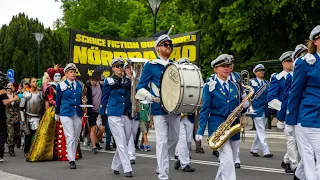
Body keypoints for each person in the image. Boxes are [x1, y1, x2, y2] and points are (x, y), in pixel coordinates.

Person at [196, 54, 248, 180]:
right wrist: (200, 130)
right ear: (215, 69)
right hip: (218, 126)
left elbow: (240, 107)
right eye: (223, 66)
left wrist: (245, 105)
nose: (226, 69)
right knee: (227, 158)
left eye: (228, 66)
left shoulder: (235, 85)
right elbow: (205, 110)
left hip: (233, 125)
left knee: (228, 160)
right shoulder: (210, 86)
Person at [136, 34, 181, 180]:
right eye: (165, 44)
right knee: (162, 140)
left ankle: (161, 163)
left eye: (170, 45)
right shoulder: (151, 65)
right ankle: (163, 174)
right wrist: (149, 96)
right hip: (158, 107)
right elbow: (140, 87)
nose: (169, 47)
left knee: (174, 139)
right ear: (158, 48)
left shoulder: (175, 66)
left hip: (174, 107)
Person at [286, 40, 317, 180]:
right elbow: (293, 95)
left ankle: (298, 175)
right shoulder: (301, 66)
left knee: (308, 156)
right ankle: (293, 165)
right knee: (308, 154)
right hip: (304, 117)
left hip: (311, 117)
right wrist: (288, 119)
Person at [99, 57, 133, 177]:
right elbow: (104, 98)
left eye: (121, 66)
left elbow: (131, 96)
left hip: (126, 113)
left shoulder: (128, 80)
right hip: (114, 113)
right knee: (121, 141)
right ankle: (127, 168)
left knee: (125, 140)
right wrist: (101, 113)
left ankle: (115, 165)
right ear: (113, 68)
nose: (119, 68)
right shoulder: (109, 81)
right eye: (117, 66)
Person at [267, 51, 296, 173]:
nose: (291, 64)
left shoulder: (298, 75)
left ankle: (286, 161)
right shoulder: (278, 78)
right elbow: (271, 98)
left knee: (298, 140)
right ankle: (295, 165)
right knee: (291, 140)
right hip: (285, 114)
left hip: (298, 112)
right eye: (288, 61)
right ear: (283, 63)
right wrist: (284, 108)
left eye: (292, 61)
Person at [55, 63, 84, 169]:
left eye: (74, 72)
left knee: (76, 137)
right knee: (70, 136)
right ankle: (71, 159)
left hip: (77, 112)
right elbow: (58, 101)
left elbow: (82, 98)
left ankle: (73, 155)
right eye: (71, 72)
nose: (73, 74)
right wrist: (57, 113)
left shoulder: (79, 84)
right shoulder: (61, 85)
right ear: (66, 74)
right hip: (66, 112)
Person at [249, 64, 273, 158]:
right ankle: (266, 151)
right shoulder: (252, 82)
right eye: (259, 71)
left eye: (262, 70)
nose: (261, 72)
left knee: (259, 131)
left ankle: (254, 149)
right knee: (261, 130)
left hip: (265, 109)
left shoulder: (266, 83)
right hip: (256, 109)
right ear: (255, 72)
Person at [19, 77, 44, 158]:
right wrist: (23, 119)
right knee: (28, 135)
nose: (35, 83)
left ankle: (36, 151)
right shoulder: (26, 94)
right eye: (33, 81)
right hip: (28, 117)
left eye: (36, 81)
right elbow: (21, 108)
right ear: (30, 83)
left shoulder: (40, 94)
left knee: (38, 135)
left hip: (38, 117)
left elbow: (43, 107)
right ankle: (27, 151)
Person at [0, 72, 19, 162]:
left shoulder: (13, 93)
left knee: (14, 134)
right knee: (5, 133)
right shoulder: (3, 92)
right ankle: (5, 152)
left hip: (13, 116)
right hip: (4, 116)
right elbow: (6, 103)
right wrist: (13, 99)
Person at [86, 71, 104, 154]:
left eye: (95, 80)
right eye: (92, 80)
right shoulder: (88, 87)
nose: (93, 82)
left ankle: (96, 141)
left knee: (101, 129)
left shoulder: (101, 86)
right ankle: (94, 146)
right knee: (93, 129)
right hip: (91, 110)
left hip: (100, 110)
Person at [5, 83, 21, 157]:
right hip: (8, 117)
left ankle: (15, 142)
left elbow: (20, 105)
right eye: (9, 86)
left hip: (16, 117)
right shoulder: (4, 97)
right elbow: (5, 104)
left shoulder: (16, 96)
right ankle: (11, 149)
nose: (10, 87)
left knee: (17, 134)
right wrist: (13, 99)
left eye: (11, 86)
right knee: (10, 133)